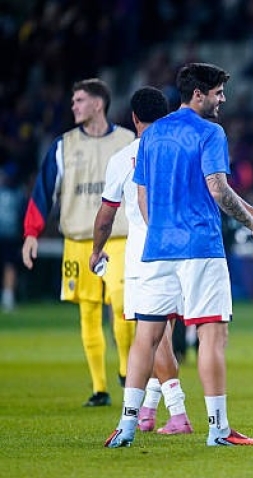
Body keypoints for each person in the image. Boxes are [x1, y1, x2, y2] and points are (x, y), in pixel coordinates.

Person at [105, 62, 253, 448]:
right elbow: (219, 190)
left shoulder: (152, 135)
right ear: (198, 94)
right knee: (212, 334)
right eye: (218, 92)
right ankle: (218, 429)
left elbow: (142, 197)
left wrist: (162, 230)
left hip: (157, 248)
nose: (222, 100)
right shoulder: (210, 132)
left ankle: (125, 426)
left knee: (147, 335)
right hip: (200, 247)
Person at [22, 78, 136, 407]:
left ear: (98, 104)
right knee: (88, 313)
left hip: (118, 237)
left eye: (80, 100)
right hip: (78, 239)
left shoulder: (128, 140)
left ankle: (127, 370)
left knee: (121, 302)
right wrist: (32, 232)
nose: (74, 106)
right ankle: (100, 389)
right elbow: (44, 190)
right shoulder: (64, 145)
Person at [90, 86, 192, 435]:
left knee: (150, 337)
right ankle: (148, 411)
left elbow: (105, 216)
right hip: (180, 250)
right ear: (166, 116)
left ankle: (178, 414)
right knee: (163, 333)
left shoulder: (123, 158)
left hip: (143, 253)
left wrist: (96, 248)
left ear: (133, 118)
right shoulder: (181, 153)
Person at [0, 166, 25, 312]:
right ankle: (7, 297)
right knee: (9, 266)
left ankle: (8, 296)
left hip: (10, 235)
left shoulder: (18, 194)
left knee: (10, 266)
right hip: (10, 235)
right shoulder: (18, 194)